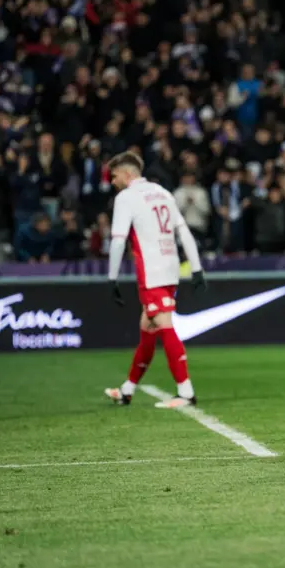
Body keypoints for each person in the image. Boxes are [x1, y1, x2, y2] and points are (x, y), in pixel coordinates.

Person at [103, 152, 208, 409]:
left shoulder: (126, 197)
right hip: (170, 267)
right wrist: (196, 268)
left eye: (114, 176)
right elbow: (183, 231)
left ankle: (185, 392)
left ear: (127, 174)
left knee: (162, 322)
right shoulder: (163, 193)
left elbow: (118, 239)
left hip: (151, 271)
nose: (112, 182)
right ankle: (127, 390)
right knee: (148, 327)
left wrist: (112, 278)